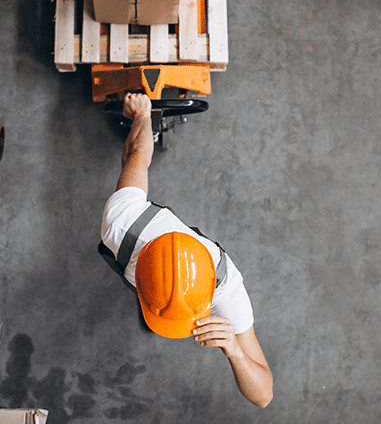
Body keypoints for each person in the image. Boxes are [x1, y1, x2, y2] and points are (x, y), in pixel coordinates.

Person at [99, 93, 273, 408]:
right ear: (138, 275)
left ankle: (155, 307)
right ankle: (154, 306)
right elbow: (136, 153)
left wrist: (235, 350)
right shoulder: (122, 224)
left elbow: (264, 395)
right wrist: (143, 116)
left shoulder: (226, 290)